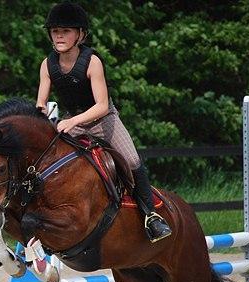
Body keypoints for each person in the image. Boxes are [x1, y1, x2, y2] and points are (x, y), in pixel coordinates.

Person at [35, 1, 172, 242]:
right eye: (55, 30)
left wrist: (72, 121)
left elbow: (101, 105)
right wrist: (40, 116)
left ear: (80, 34)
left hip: (102, 119)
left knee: (131, 160)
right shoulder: (47, 64)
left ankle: (151, 216)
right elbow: (41, 103)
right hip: (71, 122)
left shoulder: (92, 61)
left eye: (65, 30)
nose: (59, 35)